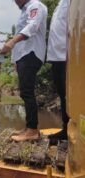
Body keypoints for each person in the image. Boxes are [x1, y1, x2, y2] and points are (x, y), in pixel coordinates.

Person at [1, 0, 47, 141]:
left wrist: (12, 41)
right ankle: (29, 127)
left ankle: (32, 130)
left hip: (31, 53)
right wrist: (15, 60)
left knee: (27, 91)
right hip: (23, 56)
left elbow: (32, 26)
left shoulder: (35, 6)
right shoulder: (24, 11)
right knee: (24, 91)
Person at [46, 0, 69, 141]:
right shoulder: (60, 4)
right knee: (63, 95)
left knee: (70, 96)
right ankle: (66, 129)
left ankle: (72, 131)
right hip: (57, 58)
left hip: (68, 57)